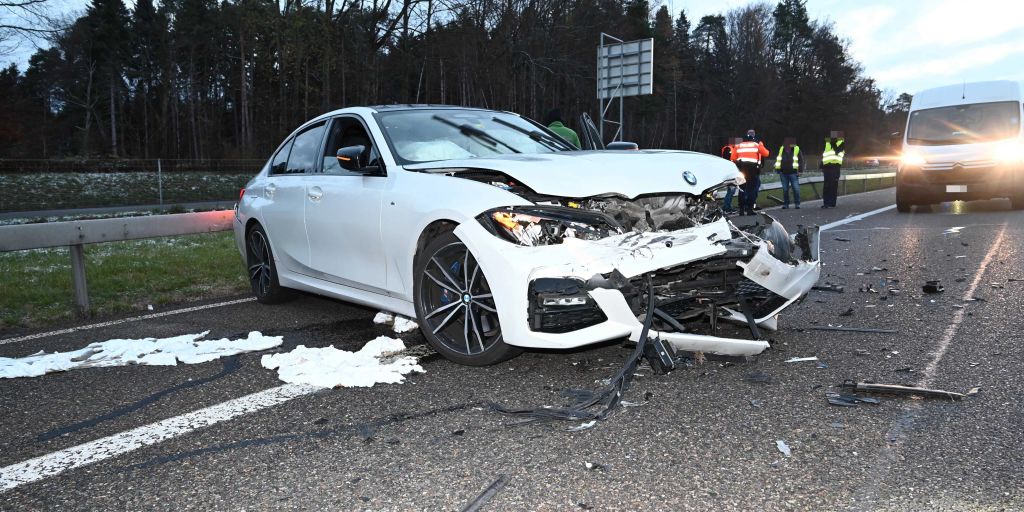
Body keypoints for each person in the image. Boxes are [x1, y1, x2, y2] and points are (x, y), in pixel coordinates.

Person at [730, 129, 769, 216]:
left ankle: (741, 209)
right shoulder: (756, 144)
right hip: (753, 170)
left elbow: (733, 157)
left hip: (741, 169)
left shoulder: (739, 145)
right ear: (753, 136)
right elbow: (766, 153)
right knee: (751, 189)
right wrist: (761, 145)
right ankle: (750, 209)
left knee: (742, 189)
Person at [775, 138, 802, 209]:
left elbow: (801, 160)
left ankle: (797, 203)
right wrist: (778, 169)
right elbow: (778, 159)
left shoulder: (796, 149)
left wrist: (800, 171)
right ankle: (786, 204)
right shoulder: (781, 149)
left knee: (796, 189)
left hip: (793, 172)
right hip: (783, 173)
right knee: (785, 189)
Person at [821, 133, 845, 208]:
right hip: (827, 167)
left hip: (835, 166)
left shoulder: (841, 142)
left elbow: (837, 151)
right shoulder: (827, 143)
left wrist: (832, 141)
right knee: (826, 186)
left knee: (833, 185)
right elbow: (824, 154)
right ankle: (826, 203)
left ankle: (832, 203)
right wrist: (821, 165)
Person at [720, 141, 738, 213]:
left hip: (730, 171)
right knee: (731, 191)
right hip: (730, 172)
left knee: (731, 191)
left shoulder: (727, 148)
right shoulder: (728, 149)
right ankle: (727, 207)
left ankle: (726, 206)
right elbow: (727, 160)